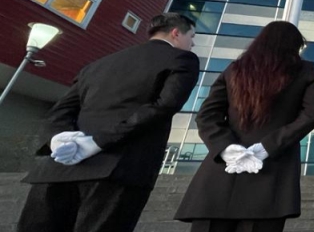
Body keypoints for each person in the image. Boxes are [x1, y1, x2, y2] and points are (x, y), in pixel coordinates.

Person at [17, 13, 200, 232]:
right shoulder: (182, 59)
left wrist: (59, 139)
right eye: (192, 36)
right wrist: (98, 142)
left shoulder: (98, 64)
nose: (193, 43)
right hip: (119, 168)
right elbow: (165, 105)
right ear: (176, 33)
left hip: (58, 169)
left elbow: (60, 110)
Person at [174, 21, 314, 232]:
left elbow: (207, 115)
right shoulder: (304, 71)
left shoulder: (234, 69)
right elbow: (311, 115)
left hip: (219, 177)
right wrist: (267, 147)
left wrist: (226, 148)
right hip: (271, 175)